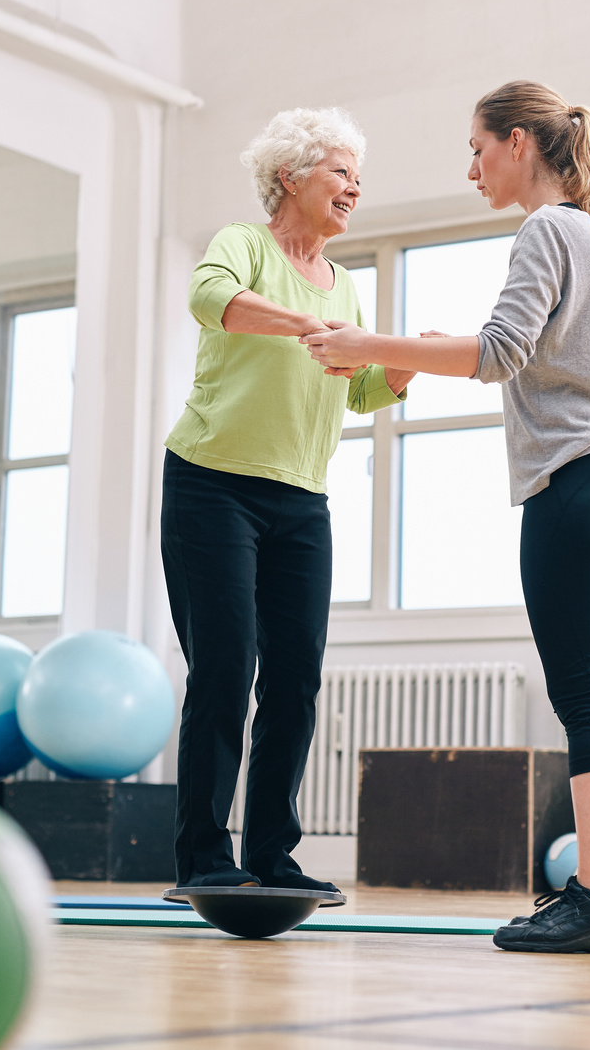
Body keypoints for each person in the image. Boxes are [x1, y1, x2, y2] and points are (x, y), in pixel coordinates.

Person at [303, 80, 590, 953]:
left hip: (573, 483)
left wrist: (368, 345)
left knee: (582, 694)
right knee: (588, 689)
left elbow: (498, 353)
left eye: (478, 148)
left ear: (521, 142)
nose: (471, 168)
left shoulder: (546, 228)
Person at [161, 107, 414, 895]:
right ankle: (204, 856)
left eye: (355, 173)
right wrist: (308, 325)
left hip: (301, 501)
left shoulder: (346, 284)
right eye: (339, 170)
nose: (354, 186)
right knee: (225, 668)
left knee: (295, 676)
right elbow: (213, 300)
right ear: (290, 176)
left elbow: (359, 388)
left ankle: (272, 854)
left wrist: (400, 366)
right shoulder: (244, 244)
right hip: (212, 485)